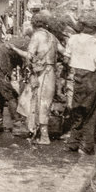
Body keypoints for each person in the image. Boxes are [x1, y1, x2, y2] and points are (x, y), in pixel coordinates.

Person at [64, 14, 96, 154]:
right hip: (90, 78)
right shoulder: (95, 42)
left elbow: (65, 59)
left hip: (76, 78)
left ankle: (73, 143)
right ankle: (87, 146)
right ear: (93, 28)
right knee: (91, 113)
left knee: (77, 112)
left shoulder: (73, 38)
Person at [0, 34, 31, 135]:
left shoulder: (18, 40)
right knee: (11, 95)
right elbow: (26, 64)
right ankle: (17, 125)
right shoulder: (28, 45)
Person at [27, 11, 59, 145]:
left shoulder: (36, 36)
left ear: (34, 24)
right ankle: (41, 133)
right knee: (46, 102)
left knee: (39, 101)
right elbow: (64, 52)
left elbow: (29, 56)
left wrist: (30, 68)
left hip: (41, 73)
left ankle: (43, 136)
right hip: (51, 72)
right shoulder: (52, 37)